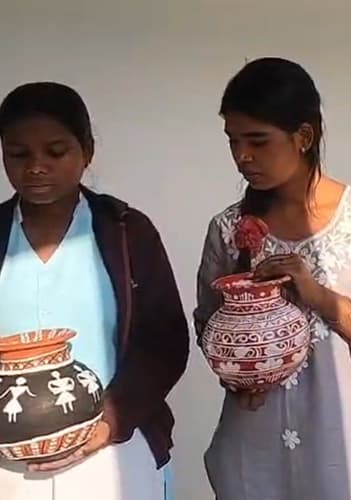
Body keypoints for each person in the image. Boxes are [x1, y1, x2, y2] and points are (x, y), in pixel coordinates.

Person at [194, 57, 351, 500]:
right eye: (233, 141)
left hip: (344, 456)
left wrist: (318, 296)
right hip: (252, 452)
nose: (242, 156)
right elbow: (208, 325)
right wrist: (237, 375)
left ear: (304, 136)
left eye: (258, 141)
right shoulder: (228, 229)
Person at [0, 82, 188, 500]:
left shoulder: (126, 232)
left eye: (55, 151)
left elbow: (164, 341)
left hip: (112, 455)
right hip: (7, 467)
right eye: (18, 154)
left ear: (87, 151)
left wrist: (112, 421)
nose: (36, 167)